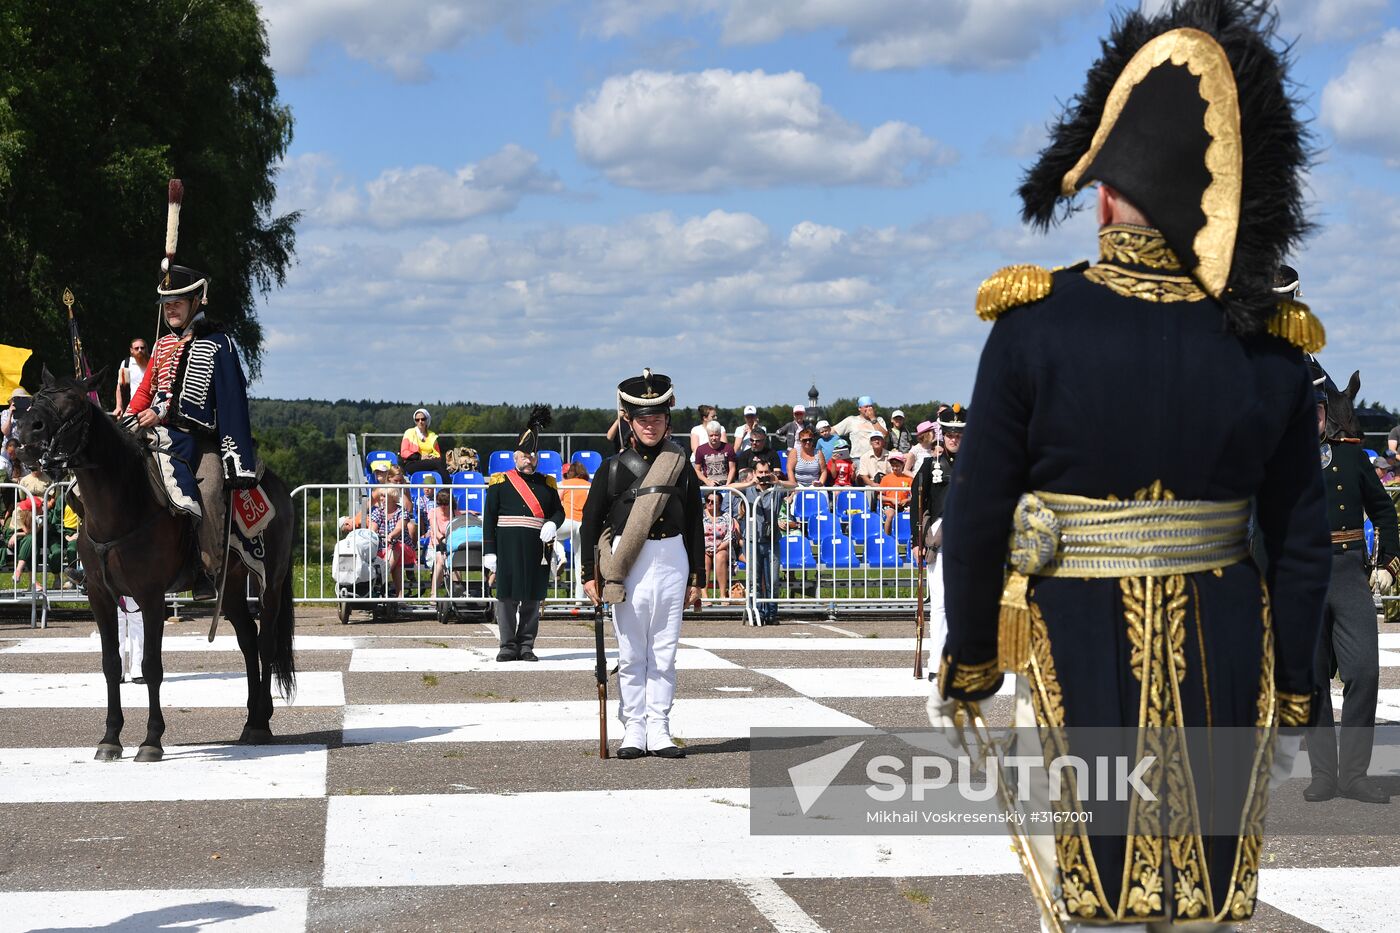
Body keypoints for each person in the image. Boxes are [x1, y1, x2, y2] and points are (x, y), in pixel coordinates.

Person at [932, 2, 1330, 926]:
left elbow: (981, 506)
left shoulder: (1034, 322)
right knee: (1208, 901)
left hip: (1074, 634)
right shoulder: (1271, 347)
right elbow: (1302, 533)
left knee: (1083, 900)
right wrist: (1303, 681)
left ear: (1107, 195)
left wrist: (973, 656)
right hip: (1228, 648)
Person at [127, 182, 258, 601]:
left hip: (199, 442)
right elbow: (144, 394)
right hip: (156, 436)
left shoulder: (218, 344)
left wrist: (238, 459)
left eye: (179, 300)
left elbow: (232, 404)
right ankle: (100, 558)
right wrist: (129, 418)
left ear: (197, 300)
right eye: (167, 302)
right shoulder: (162, 345)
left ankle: (209, 570)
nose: (172, 308)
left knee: (209, 490)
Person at [580, 369, 705, 759]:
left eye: (658, 418)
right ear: (629, 423)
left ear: (668, 420)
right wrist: (590, 573)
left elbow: (696, 522)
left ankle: (660, 727)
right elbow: (590, 520)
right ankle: (633, 726)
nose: (651, 426)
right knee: (632, 651)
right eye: (642, 419)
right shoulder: (614, 468)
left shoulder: (680, 465)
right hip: (628, 561)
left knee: (665, 651)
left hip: (672, 558)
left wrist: (697, 577)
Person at [1306, 360, 1400, 805]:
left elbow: (1384, 512)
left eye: (1319, 412)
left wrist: (1386, 562)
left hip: (1347, 572)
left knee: (1363, 671)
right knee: (1312, 678)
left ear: (1328, 414)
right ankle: (1324, 774)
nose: (1314, 420)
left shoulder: (1351, 457)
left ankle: (1355, 775)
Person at [482, 406, 564, 662]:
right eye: (525, 456)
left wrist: (552, 523)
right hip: (507, 546)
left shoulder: (547, 484)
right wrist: (489, 551)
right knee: (506, 598)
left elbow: (558, 512)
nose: (529, 460)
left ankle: (526, 644)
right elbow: (489, 520)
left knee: (532, 596)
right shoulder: (500, 482)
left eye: (533, 456)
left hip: (536, 548)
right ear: (516, 457)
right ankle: (507, 645)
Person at [909, 404, 964, 663]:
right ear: (943, 434)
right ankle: (937, 659)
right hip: (939, 541)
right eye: (950, 434)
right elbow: (917, 506)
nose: (954, 439)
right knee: (941, 603)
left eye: (959, 434)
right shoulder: (930, 467)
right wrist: (916, 541)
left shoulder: (976, 466)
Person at [368, 487, 413, 597]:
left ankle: (381, 578)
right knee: (396, 563)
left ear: (393, 498)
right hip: (383, 549)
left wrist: (391, 535)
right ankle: (399, 595)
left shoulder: (401, 512)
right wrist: (371, 534)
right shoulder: (378, 512)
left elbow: (399, 528)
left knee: (395, 546)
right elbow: (372, 528)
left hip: (402, 548)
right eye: (381, 496)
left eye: (384, 496)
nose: (381, 499)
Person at [830, 395, 888, 464]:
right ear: (859, 408)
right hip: (858, 459)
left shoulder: (879, 420)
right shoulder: (851, 420)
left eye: (871, 406)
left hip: (876, 458)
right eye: (866, 407)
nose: (869, 409)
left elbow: (884, 435)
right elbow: (833, 430)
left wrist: (872, 418)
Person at [702, 492, 738, 598]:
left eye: (713, 502)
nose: (709, 503)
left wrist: (719, 547)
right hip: (703, 548)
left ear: (719, 504)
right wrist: (703, 548)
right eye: (708, 501)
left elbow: (730, 535)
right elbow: (695, 534)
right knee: (704, 559)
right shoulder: (699, 515)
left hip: (721, 548)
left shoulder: (726, 516)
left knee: (720, 556)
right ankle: (704, 595)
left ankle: (723, 595)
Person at [399, 408, 451, 479]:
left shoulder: (432, 435)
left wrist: (432, 456)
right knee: (439, 464)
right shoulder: (409, 433)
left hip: (430, 462)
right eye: (417, 420)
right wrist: (420, 457)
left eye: (423, 419)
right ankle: (448, 488)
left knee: (441, 462)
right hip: (412, 463)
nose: (420, 421)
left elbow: (438, 454)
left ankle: (446, 487)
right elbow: (404, 452)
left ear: (427, 420)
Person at [426, 489, 454, 598]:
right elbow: (436, 532)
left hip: (451, 547)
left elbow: (464, 514)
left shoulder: (454, 513)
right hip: (435, 546)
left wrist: (470, 513)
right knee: (441, 561)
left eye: (446, 503)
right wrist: (443, 539)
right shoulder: (433, 512)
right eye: (440, 503)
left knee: (454, 561)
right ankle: (433, 593)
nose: (443, 506)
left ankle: (456, 594)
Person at [113, 337, 149, 417]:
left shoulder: (152, 364)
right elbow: (120, 386)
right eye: (136, 348)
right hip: (132, 407)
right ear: (131, 350)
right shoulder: (126, 363)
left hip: (149, 408)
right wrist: (118, 406)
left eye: (142, 348)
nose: (140, 350)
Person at [877, 451, 913, 533]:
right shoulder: (886, 478)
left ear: (902, 465)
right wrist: (891, 500)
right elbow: (879, 496)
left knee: (911, 514)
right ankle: (887, 537)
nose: (895, 468)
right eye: (893, 466)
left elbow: (913, 495)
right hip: (889, 505)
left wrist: (907, 500)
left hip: (904, 505)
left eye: (897, 466)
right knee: (890, 515)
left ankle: (908, 536)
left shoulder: (908, 479)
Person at [692, 422, 736, 486]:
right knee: (712, 496)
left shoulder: (728, 448)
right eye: (711, 435)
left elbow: (732, 468)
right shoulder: (700, 449)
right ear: (707, 435)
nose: (714, 438)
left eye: (716, 435)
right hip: (709, 485)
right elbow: (697, 470)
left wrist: (727, 484)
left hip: (726, 483)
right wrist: (707, 481)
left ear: (720, 435)